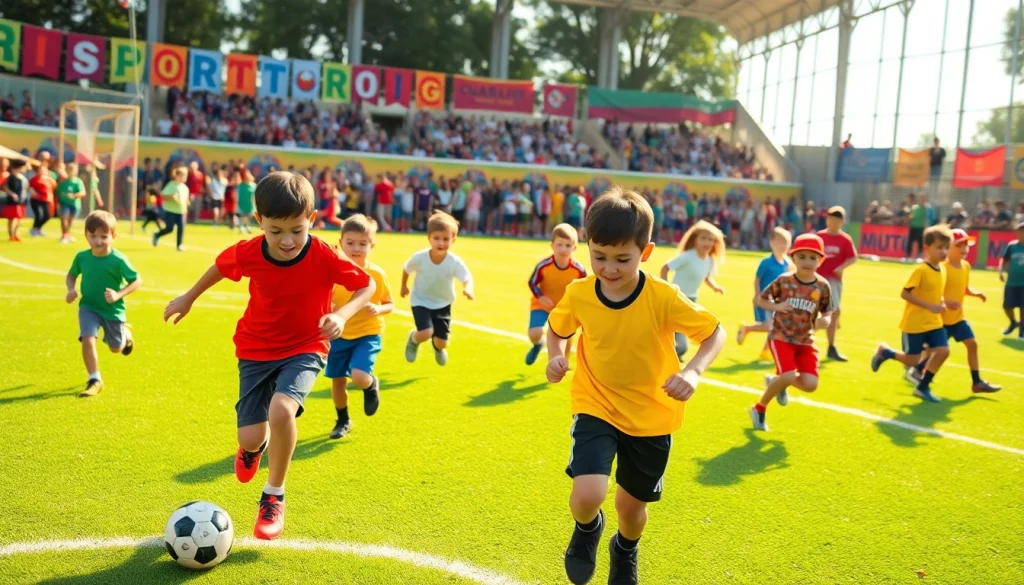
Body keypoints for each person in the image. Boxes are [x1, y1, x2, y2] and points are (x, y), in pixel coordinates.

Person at [163, 172, 375, 540]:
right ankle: (252, 449)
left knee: (282, 410)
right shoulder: (249, 251)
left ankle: (274, 496)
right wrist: (189, 297)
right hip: (255, 349)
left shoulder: (324, 254)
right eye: (276, 231)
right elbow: (220, 266)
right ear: (259, 221)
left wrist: (341, 315)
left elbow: (366, 284)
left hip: (306, 346)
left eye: (297, 229)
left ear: (311, 219)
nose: (288, 240)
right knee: (249, 436)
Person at [545, 188, 725, 585]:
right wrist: (555, 355)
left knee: (630, 509)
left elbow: (714, 333)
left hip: (652, 414)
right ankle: (588, 529)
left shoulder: (663, 297)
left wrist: (693, 372)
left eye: (622, 259)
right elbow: (556, 330)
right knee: (588, 494)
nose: (608, 268)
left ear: (645, 253)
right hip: (595, 403)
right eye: (599, 256)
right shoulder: (579, 294)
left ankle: (624, 549)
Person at [749, 234, 834, 432]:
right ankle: (759, 408)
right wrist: (775, 307)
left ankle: (776, 382)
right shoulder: (784, 281)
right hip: (781, 337)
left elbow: (828, 311)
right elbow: (760, 300)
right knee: (787, 375)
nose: (807, 262)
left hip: (805, 341)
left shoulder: (822, 286)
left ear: (820, 261)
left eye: (813, 258)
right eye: (802, 256)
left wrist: (826, 320)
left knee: (811, 384)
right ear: (793, 258)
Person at [906, 229, 1000, 393]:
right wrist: (946, 302)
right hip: (941, 319)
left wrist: (975, 293)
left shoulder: (965, 266)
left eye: (966, 245)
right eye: (959, 245)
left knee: (972, 344)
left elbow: (963, 288)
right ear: (949, 247)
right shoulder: (942, 268)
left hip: (957, 318)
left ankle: (976, 382)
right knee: (936, 350)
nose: (964, 249)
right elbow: (934, 293)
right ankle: (919, 371)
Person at [326, 214, 393, 439]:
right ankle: (342, 420)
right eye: (351, 243)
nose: (356, 248)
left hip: (367, 333)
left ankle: (371, 383)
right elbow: (325, 300)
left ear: (371, 245)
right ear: (341, 242)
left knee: (360, 377)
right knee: (338, 382)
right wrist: (329, 307)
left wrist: (379, 309)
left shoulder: (376, 274)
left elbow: (389, 303)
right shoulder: (333, 272)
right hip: (339, 335)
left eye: (362, 244)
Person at [870, 225, 954, 403]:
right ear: (927, 248)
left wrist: (940, 304)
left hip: (933, 322)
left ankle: (923, 387)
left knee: (944, 351)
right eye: (939, 247)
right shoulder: (921, 270)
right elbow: (905, 293)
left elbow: (934, 294)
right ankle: (885, 352)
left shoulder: (943, 270)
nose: (943, 251)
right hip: (914, 323)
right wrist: (929, 306)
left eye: (946, 247)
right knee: (911, 360)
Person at [65, 210, 141, 397]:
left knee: (116, 348)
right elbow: (71, 274)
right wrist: (71, 289)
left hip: (112, 310)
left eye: (104, 236)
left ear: (113, 236)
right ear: (86, 235)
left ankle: (126, 335)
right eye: (93, 236)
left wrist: (118, 294)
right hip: (88, 307)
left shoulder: (118, 259)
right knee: (88, 338)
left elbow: (137, 280)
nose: (98, 241)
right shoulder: (82, 257)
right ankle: (94, 378)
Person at [400, 211, 474, 367]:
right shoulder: (420, 257)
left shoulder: (454, 261)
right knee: (426, 332)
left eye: (446, 239)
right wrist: (403, 286)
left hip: (443, 302)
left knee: (442, 343)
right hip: (421, 300)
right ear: (429, 238)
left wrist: (468, 289)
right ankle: (414, 339)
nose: (441, 243)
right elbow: (407, 269)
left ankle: (438, 348)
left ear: (453, 239)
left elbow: (466, 277)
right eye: (436, 238)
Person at [659, 219, 726, 359]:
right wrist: (667, 288)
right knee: (681, 344)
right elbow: (665, 268)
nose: (707, 242)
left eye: (710, 239)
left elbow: (707, 277)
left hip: (692, 300)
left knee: (680, 335)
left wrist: (716, 287)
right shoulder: (688, 256)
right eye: (703, 238)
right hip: (676, 299)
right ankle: (668, 356)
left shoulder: (710, 260)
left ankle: (669, 355)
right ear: (695, 240)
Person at [525, 223, 587, 366]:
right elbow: (532, 282)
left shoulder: (579, 269)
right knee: (534, 333)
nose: (563, 249)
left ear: (574, 248)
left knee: (566, 337)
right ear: (552, 245)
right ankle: (538, 345)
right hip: (542, 304)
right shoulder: (544, 265)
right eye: (559, 245)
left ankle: (562, 364)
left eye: (567, 245)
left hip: (565, 308)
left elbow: (585, 287)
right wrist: (541, 297)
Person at [736, 227, 792, 362]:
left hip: (778, 301)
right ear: (771, 243)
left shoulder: (787, 263)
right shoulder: (766, 262)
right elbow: (757, 279)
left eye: (785, 242)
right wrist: (757, 295)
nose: (782, 245)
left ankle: (765, 350)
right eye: (779, 242)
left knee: (776, 325)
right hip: (765, 299)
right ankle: (747, 329)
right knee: (771, 326)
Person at [816, 206, 857, 362]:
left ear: (842, 222)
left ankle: (830, 346)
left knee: (833, 312)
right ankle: (803, 340)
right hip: (818, 279)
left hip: (834, 280)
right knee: (830, 311)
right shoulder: (819, 237)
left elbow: (853, 257)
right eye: (831, 218)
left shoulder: (845, 239)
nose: (833, 221)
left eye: (837, 219)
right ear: (827, 219)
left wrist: (841, 267)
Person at [153, 166, 190, 251]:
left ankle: (179, 245)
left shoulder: (185, 188)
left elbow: (186, 200)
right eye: (182, 176)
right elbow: (163, 196)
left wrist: (186, 206)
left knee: (181, 227)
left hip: (181, 211)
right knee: (170, 228)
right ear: (177, 176)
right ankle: (157, 235)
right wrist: (172, 198)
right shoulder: (171, 185)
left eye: (185, 176)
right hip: (171, 210)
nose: (184, 178)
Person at [999, 221, 1024, 338]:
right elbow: (1004, 260)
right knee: (1007, 306)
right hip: (1012, 282)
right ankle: (1013, 322)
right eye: (1020, 231)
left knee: (1023, 307)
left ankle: (1022, 331)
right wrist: (1001, 271)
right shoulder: (1012, 246)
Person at [57, 163, 87, 244]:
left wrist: (74, 195)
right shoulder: (63, 182)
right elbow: (57, 192)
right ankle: (64, 235)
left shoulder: (78, 182)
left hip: (74, 204)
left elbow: (83, 192)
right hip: (64, 203)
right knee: (64, 219)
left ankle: (68, 234)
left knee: (70, 220)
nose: (71, 172)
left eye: (73, 170)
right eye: (69, 170)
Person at [29, 160, 57, 238]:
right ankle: (34, 229)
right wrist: (33, 193)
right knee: (39, 214)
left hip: (46, 200)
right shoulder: (35, 179)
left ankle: (38, 228)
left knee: (47, 216)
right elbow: (30, 187)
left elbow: (54, 187)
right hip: (36, 199)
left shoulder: (49, 179)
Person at [2, 158, 28, 242]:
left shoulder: (23, 178)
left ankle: (16, 234)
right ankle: (11, 235)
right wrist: (11, 194)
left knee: (20, 219)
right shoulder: (10, 177)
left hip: (21, 200)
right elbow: (4, 187)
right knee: (12, 218)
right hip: (12, 201)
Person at [905, 193, 926, 259]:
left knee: (920, 242)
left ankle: (920, 256)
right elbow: (910, 216)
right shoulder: (914, 207)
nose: (921, 199)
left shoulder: (926, 208)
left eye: (922, 198)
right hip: (913, 227)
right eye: (920, 198)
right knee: (910, 242)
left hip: (920, 227)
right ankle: (908, 256)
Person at [237, 168, 256, 234]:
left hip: (250, 203)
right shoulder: (240, 186)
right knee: (242, 215)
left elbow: (254, 195)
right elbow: (238, 194)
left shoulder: (253, 185)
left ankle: (248, 227)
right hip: (242, 203)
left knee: (249, 216)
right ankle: (241, 227)